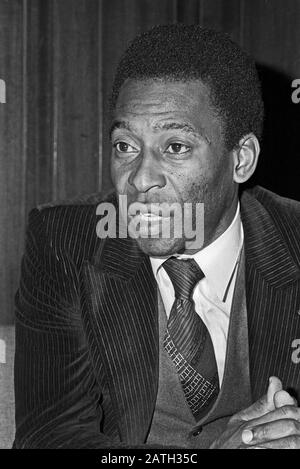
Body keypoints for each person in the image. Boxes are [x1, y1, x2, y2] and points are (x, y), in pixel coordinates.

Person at [14, 24, 300, 449]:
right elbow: (48, 435)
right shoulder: (64, 242)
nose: (141, 179)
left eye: (176, 147)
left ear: (241, 159)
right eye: (125, 145)